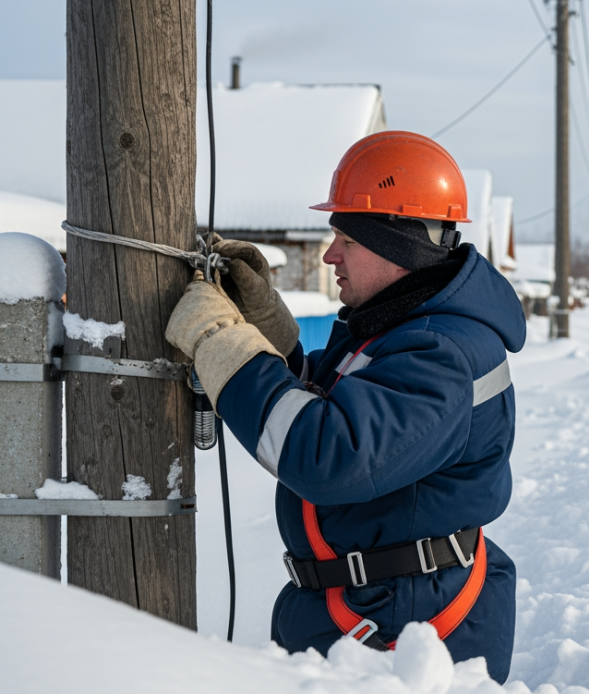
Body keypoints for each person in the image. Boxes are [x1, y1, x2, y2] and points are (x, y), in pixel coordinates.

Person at [166, 131, 524, 682]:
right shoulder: (403, 329)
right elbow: (334, 402)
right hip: (375, 607)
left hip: (402, 629)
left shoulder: (441, 353)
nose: (330, 254)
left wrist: (221, 341)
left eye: (347, 239)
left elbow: (328, 453)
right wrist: (268, 330)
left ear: (400, 246)